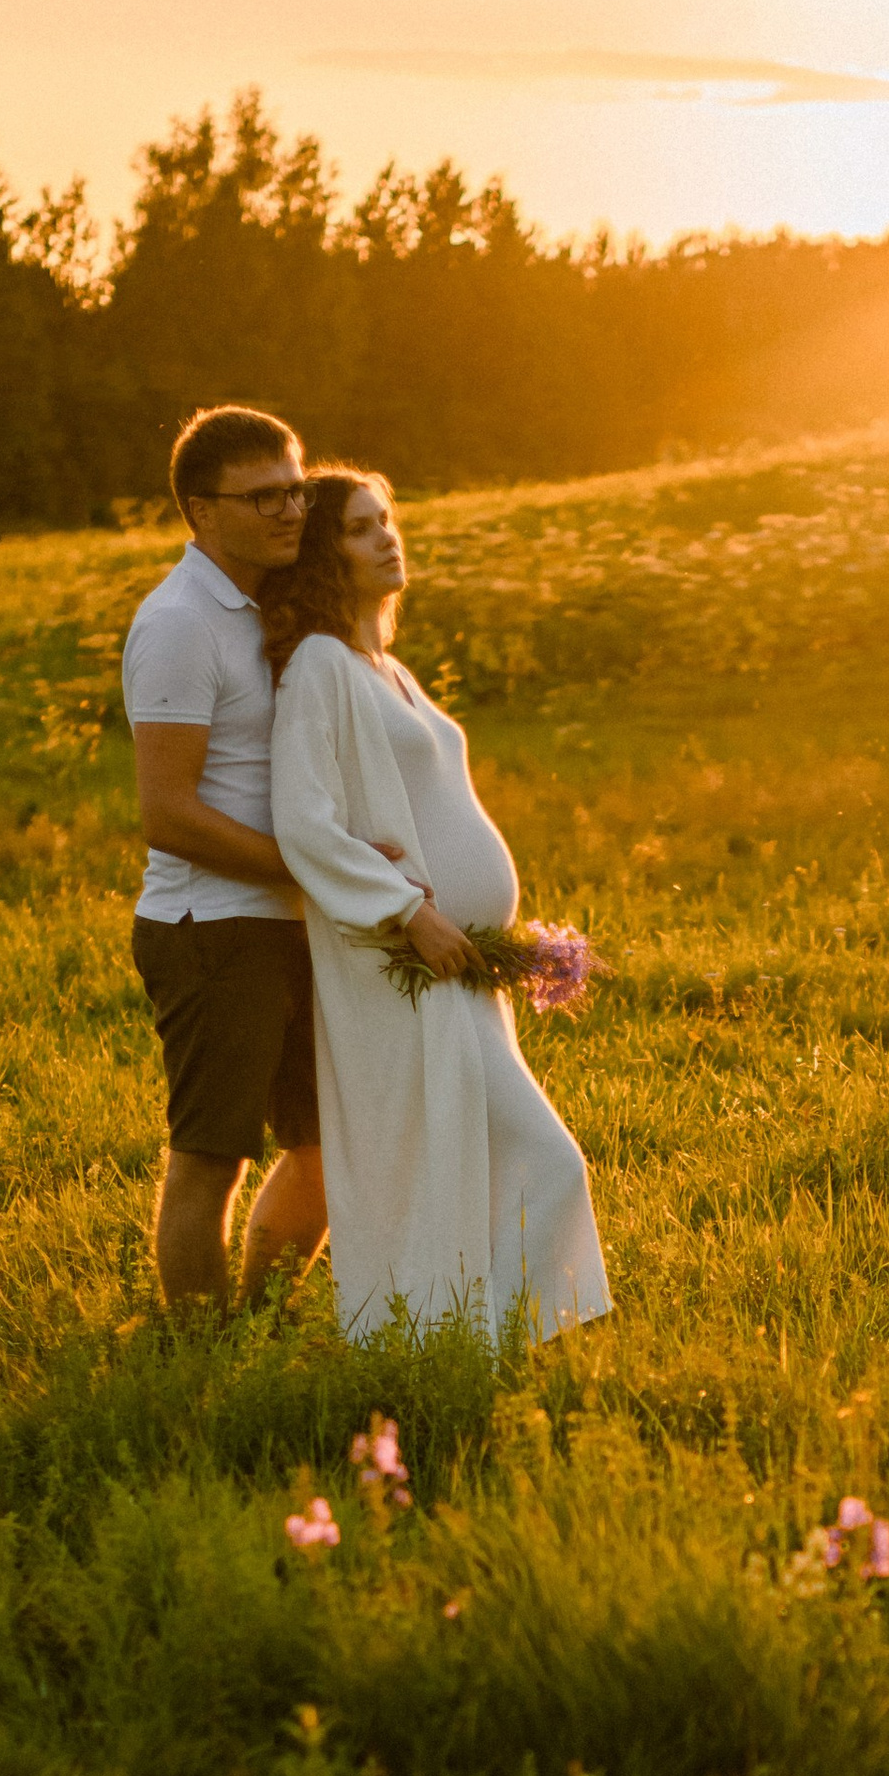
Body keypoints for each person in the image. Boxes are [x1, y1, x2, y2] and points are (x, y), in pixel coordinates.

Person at [266, 469, 610, 1343]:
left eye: (387, 520)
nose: (386, 537)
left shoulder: (387, 667)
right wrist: (406, 912)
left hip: (463, 968)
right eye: (357, 528)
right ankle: (462, 1339)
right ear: (320, 553)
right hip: (406, 965)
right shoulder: (320, 667)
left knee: (474, 1159)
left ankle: (466, 1343)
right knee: (539, 1157)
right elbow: (305, 821)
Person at [122, 403, 329, 1310]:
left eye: (296, 490)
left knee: (328, 1144)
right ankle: (200, 1367)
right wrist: (308, 867)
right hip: (210, 928)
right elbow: (169, 812)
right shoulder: (180, 623)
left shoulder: (271, 609)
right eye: (263, 498)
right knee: (211, 1159)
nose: (289, 511)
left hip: (290, 922)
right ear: (201, 511)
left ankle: (261, 1329)